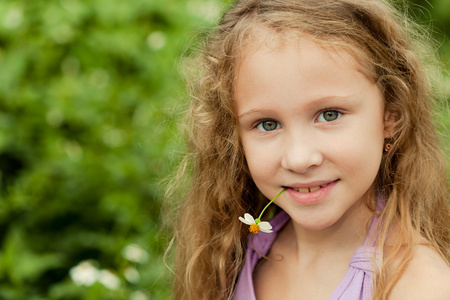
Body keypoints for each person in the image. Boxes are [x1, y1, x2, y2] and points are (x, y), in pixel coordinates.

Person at [169, 0, 450, 299]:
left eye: (329, 115)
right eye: (267, 124)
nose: (299, 158)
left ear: (390, 115)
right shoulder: (236, 252)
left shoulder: (418, 286)